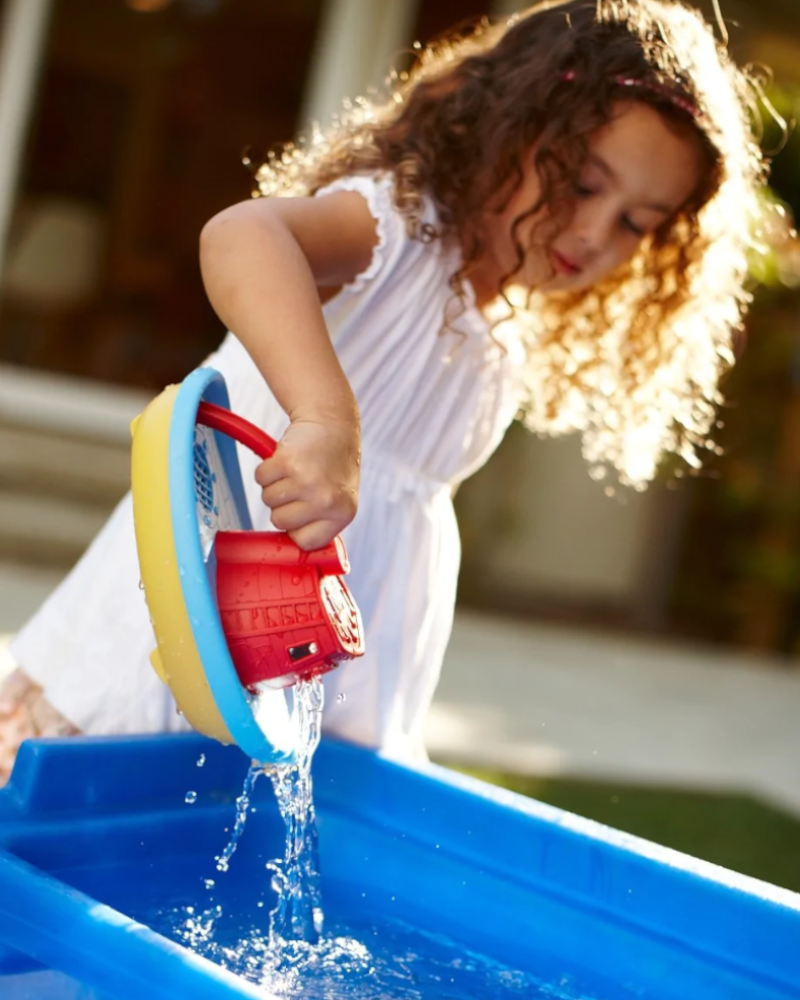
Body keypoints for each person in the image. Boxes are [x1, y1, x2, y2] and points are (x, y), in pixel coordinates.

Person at [0, 0, 766, 782]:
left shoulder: (496, 329)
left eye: (638, 221)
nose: (596, 233)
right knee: (94, 827)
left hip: (325, 685)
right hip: (196, 625)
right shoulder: (399, 233)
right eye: (581, 182)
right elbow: (243, 236)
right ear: (510, 126)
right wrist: (326, 416)